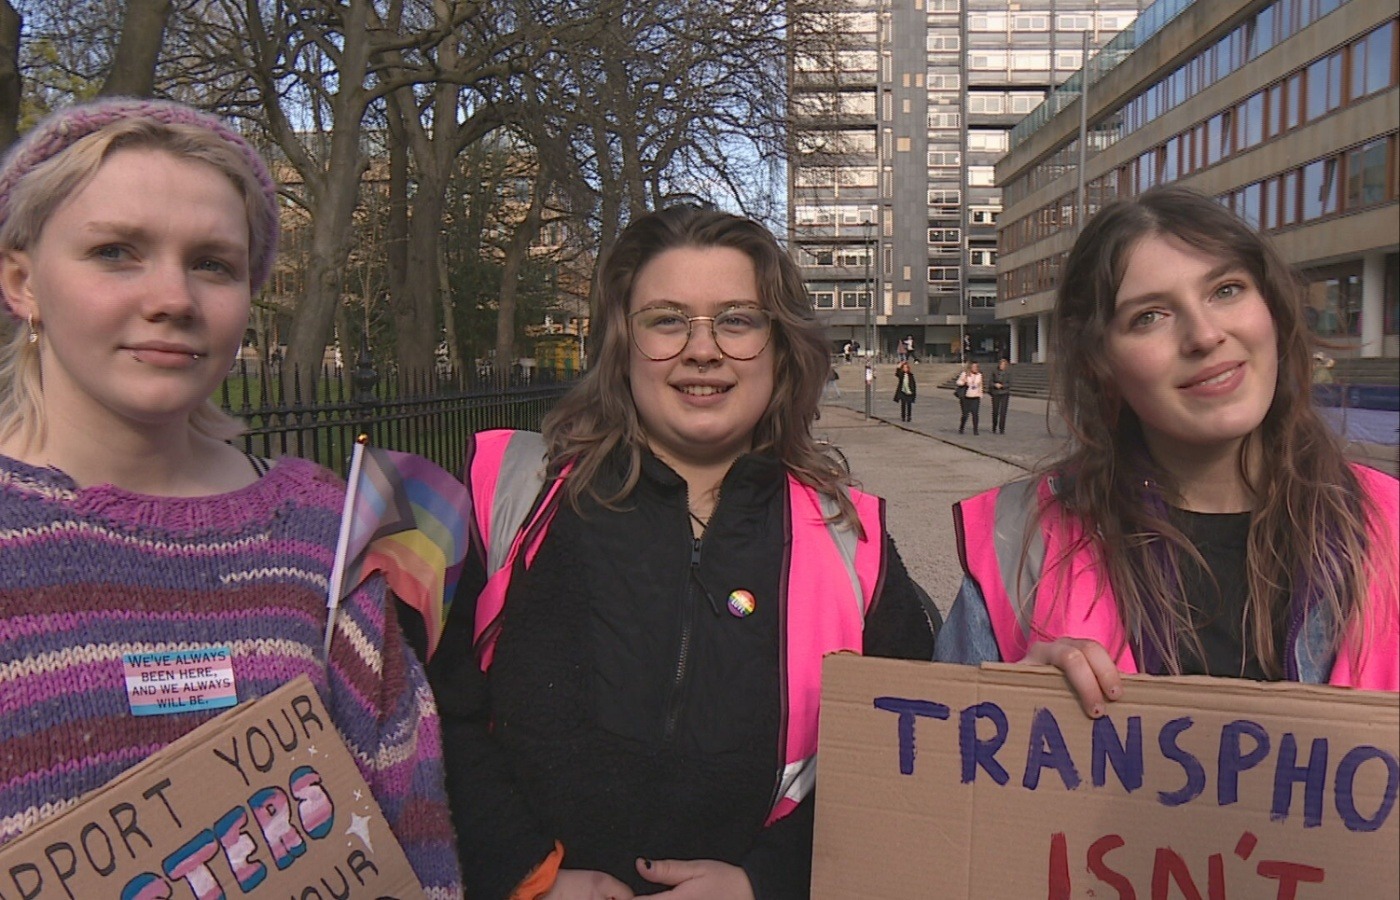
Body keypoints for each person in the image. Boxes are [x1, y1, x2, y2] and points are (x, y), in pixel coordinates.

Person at [0, 98, 462, 896]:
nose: (173, 298)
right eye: (116, 252)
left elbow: (410, 828)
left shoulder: (325, 535)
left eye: (212, 263)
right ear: (21, 280)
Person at [423, 206, 938, 899]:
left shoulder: (855, 544)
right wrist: (526, 873)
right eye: (668, 320)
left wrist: (768, 881)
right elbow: (426, 714)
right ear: (621, 344)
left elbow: (907, 759)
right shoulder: (503, 496)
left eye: (736, 319)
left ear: (780, 345)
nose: (704, 350)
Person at [935, 185, 1398, 715]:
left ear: (1272, 309)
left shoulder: (1391, 524)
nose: (1204, 336)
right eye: (1149, 316)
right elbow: (928, 776)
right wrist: (999, 715)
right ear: (1101, 366)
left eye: (1226, 290)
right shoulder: (1019, 541)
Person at [955, 360, 983, 435]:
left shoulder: (979, 375)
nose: (975, 368)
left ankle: (975, 430)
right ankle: (962, 427)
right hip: (966, 397)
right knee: (965, 414)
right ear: (970, 367)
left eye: (976, 367)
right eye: (973, 367)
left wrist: (980, 394)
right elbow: (958, 382)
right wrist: (963, 382)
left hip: (975, 397)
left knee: (975, 414)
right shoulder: (965, 374)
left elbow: (980, 385)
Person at [989, 357, 1012, 435]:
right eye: (1001, 364)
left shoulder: (1008, 373)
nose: (1002, 366)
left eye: (1004, 365)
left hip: (1005, 393)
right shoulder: (994, 372)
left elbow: (1009, 383)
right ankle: (994, 426)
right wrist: (995, 384)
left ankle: (1002, 428)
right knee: (995, 411)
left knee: (1003, 412)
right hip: (996, 393)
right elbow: (990, 382)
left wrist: (1002, 386)